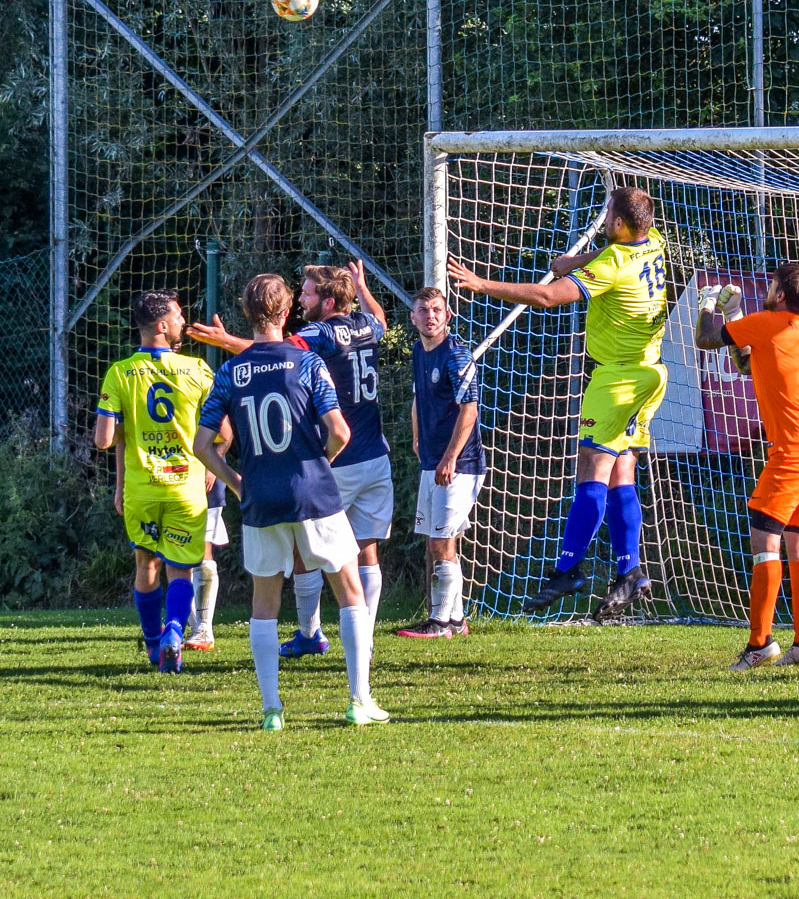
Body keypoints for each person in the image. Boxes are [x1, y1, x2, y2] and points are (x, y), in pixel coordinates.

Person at [446, 185, 665, 621]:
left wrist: (480, 283)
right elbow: (613, 254)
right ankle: (629, 571)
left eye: (608, 214)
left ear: (620, 223)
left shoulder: (613, 265)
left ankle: (568, 570)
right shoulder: (653, 240)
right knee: (622, 471)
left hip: (617, 379)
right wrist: (575, 262)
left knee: (592, 469)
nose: (604, 219)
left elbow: (548, 296)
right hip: (651, 373)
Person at [193, 273, 388, 729]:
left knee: (264, 603)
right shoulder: (307, 363)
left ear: (247, 312)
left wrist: (237, 483)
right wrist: (320, 461)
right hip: (313, 492)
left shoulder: (231, 371)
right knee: (349, 591)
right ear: (286, 313)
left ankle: (272, 711)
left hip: (261, 496)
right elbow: (340, 431)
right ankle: (359, 700)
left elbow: (203, 445)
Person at [695, 264, 799, 670]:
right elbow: (748, 364)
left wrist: (707, 305)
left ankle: (760, 644)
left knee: (765, 542)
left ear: (780, 295)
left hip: (793, 450)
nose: (768, 290)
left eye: (772, 285)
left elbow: (705, 339)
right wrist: (735, 315)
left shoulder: (767, 321)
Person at [93, 290, 216, 673]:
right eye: (178, 316)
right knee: (180, 568)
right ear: (162, 326)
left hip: (142, 488)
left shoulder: (119, 373)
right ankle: (175, 631)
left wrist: (120, 481)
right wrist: (212, 467)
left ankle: (152, 645)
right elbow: (224, 432)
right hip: (186, 488)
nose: (183, 321)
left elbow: (104, 440)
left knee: (146, 564)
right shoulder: (198, 370)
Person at [396, 286, 484, 637]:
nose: (430, 316)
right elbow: (419, 397)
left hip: (460, 465)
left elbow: (469, 410)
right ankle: (457, 620)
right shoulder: (419, 351)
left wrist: (450, 457)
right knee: (440, 542)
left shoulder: (457, 356)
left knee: (439, 543)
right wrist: (417, 437)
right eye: (423, 310)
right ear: (413, 317)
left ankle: (439, 622)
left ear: (447, 316)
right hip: (432, 462)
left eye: (436, 310)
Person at [184, 422, 233, 651]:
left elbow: (226, 435)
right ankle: (192, 625)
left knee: (201, 550)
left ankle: (204, 627)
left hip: (202, 480)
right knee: (176, 555)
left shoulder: (206, 396)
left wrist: (212, 468)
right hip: (171, 480)